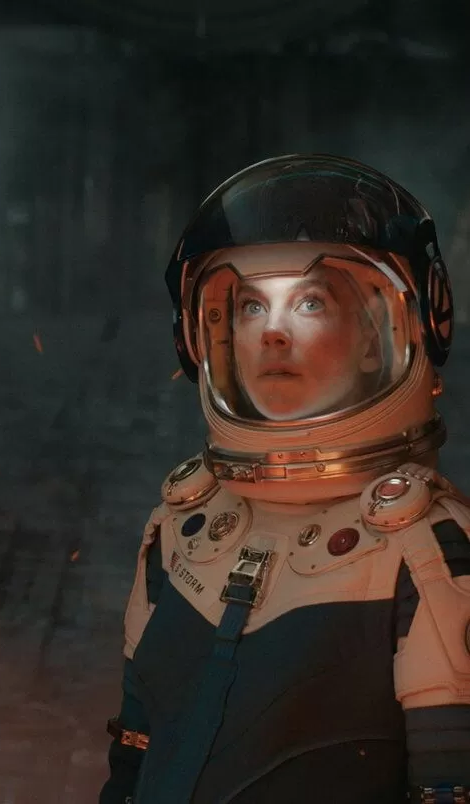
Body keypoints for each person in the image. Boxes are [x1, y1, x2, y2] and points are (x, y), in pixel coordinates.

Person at [101, 153, 470, 803]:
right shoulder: (181, 528)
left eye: (308, 302)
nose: (272, 332)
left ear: (378, 336)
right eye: (249, 306)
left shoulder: (422, 554)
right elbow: (135, 751)